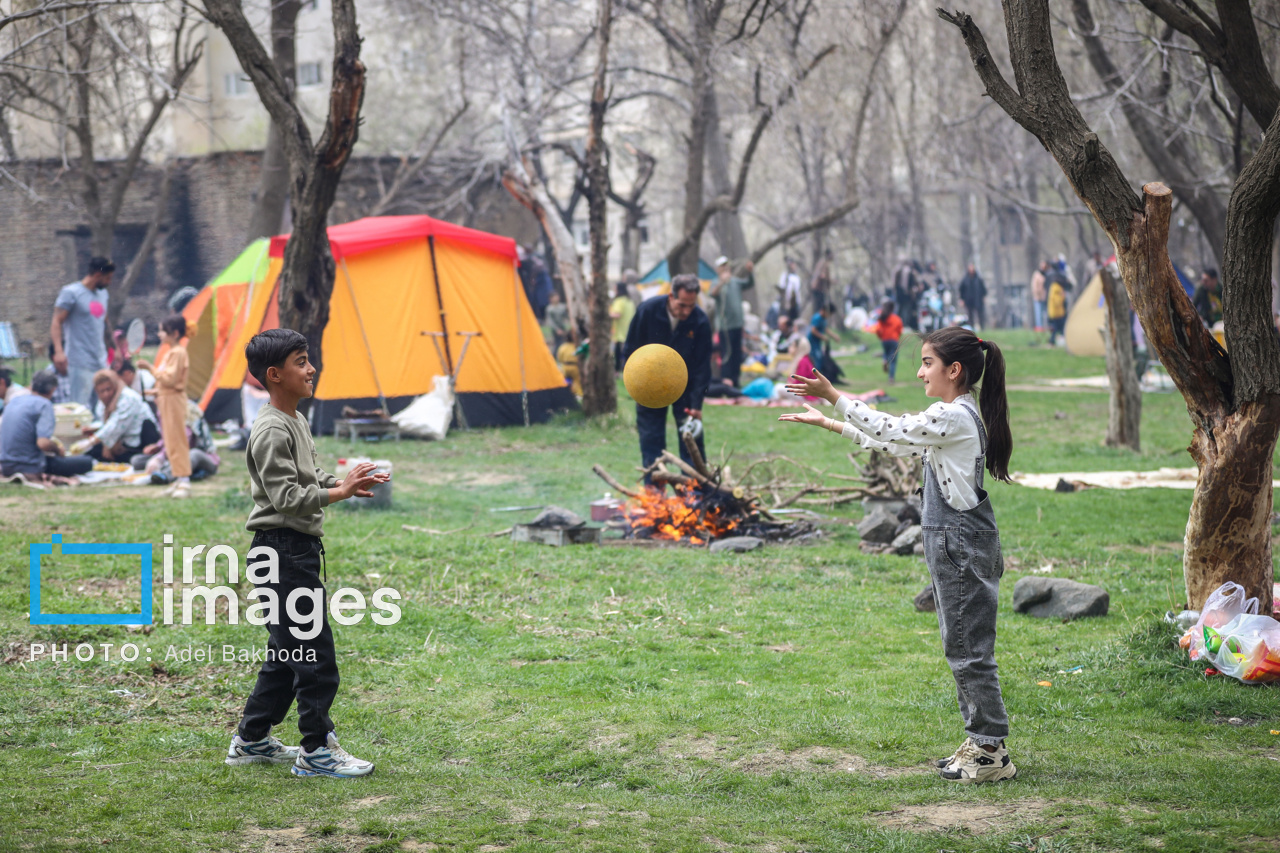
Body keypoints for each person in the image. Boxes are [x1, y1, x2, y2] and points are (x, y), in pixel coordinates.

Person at [779, 326, 1016, 784]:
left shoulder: (954, 417)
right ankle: (983, 741)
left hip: (961, 543)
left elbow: (892, 427)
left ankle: (990, 751)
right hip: (954, 542)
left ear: (954, 370)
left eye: (927, 363)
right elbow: (895, 442)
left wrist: (834, 395)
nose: (920, 371)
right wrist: (830, 422)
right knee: (960, 644)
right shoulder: (954, 414)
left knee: (969, 650)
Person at [227, 328, 388, 779]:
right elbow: (287, 499)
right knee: (315, 654)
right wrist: (339, 494)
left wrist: (344, 482)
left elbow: (309, 476)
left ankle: (252, 738)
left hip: (292, 550)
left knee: (286, 653)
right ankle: (316, 750)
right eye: (300, 362)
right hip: (280, 552)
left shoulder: (294, 419)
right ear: (275, 375)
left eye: (308, 359)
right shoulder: (270, 430)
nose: (311, 367)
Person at [623, 274, 711, 477]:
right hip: (649, 386)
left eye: (691, 306)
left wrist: (697, 404)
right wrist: (637, 386)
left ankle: (695, 493)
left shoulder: (700, 321)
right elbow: (630, 350)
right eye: (681, 305)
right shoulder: (647, 311)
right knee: (651, 441)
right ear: (671, 296)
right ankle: (655, 496)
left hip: (686, 388)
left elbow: (702, 366)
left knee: (691, 441)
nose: (686, 311)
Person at [0, 368, 94, 481]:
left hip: (5, 465)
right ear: (52, 389)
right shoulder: (44, 405)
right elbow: (43, 443)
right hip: (28, 466)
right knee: (86, 462)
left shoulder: (15, 401)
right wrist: (58, 450)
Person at [135, 315, 192, 498]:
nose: (159, 334)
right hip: (166, 399)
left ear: (174, 333)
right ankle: (177, 477)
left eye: (162, 331)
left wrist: (149, 368)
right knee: (169, 440)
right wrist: (152, 393)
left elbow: (170, 379)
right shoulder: (170, 353)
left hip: (174, 401)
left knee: (177, 439)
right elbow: (165, 383)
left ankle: (184, 480)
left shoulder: (179, 353)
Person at [51, 256, 114, 408]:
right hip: (79, 361)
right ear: (97, 275)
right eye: (108, 278)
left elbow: (105, 323)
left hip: (100, 360)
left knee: (103, 406)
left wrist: (115, 349)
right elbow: (56, 321)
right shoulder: (71, 293)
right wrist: (59, 351)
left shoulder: (103, 294)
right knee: (80, 408)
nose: (109, 282)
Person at [80, 369, 159, 462]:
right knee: (91, 454)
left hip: (139, 442)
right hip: (121, 441)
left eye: (108, 389)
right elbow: (107, 424)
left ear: (114, 386)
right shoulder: (102, 404)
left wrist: (90, 442)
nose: (106, 394)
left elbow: (115, 425)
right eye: (102, 391)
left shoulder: (128, 398)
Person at [712, 256, 755, 386]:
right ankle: (726, 382)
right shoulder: (716, 282)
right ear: (718, 269)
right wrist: (721, 282)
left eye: (726, 265)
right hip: (725, 327)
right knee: (726, 355)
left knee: (737, 354)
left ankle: (735, 381)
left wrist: (750, 271)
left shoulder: (735, 282)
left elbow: (749, 283)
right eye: (722, 266)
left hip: (737, 325)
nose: (725, 267)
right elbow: (713, 294)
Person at [871, 300, 904, 382]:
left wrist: (881, 337)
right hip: (893, 340)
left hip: (884, 340)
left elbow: (878, 330)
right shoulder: (896, 319)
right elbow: (900, 330)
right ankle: (891, 377)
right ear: (893, 308)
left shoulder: (882, 318)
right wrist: (897, 337)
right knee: (893, 359)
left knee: (886, 353)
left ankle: (885, 360)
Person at [609, 281, 637, 373]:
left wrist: (605, 314)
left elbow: (617, 314)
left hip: (619, 332)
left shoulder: (619, 301)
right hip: (629, 330)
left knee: (618, 353)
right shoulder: (629, 301)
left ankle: (617, 371)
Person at [806, 302, 837, 376]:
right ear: (825, 311)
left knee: (820, 359)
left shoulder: (823, 319)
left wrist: (834, 336)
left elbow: (825, 329)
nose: (829, 316)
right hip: (812, 343)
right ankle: (815, 377)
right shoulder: (817, 317)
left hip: (817, 343)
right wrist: (823, 337)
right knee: (816, 360)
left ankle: (818, 377)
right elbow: (813, 330)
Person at [893, 259, 920, 331]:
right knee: (906, 310)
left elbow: (895, 284)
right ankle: (903, 325)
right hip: (907, 296)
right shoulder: (912, 272)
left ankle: (898, 325)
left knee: (899, 310)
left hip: (900, 295)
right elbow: (915, 284)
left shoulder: (898, 271)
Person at [959, 264, 988, 331]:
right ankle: (971, 328)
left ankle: (982, 328)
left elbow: (983, 289)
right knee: (970, 315)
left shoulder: (978, 279)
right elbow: (961, 290)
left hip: (978, 299)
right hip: (968, 300)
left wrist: (984, 297)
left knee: (980, 314)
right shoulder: (965, 280)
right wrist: (962, 299)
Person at [1046, 267, 1070, 346]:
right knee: (1057, 329)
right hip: (1056, 313)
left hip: (1058, 313)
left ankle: (1055, 341)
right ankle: (1052, 341)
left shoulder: (1056, 287)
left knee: (1059, 329)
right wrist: (1063, 296)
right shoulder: (1056, 288)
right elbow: (1057, 301)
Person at [777, 258, 803, 323]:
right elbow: (782, 288)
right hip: (786, 302)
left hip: (795, 302)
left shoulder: (797, 277)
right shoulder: (784, 276)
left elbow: (797, 290)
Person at [1030, 261, 1049, 332]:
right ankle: (1039, 327)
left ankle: (1045, 327)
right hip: (1038, 298)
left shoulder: (1046, 274)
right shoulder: (1037, 274)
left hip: (1044, 298)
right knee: (1038, 313)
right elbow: (1034, 286)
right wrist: (1037, 295)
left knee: (1045, 314)